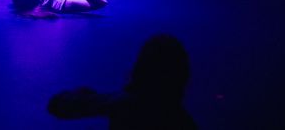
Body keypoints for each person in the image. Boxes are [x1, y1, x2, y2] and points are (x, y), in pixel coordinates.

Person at [48, 34, 197, 129]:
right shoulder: (182, 121)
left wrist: (83, 96)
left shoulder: (123, 103)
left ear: (140, 68)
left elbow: (58, 106)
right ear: (183, 75)